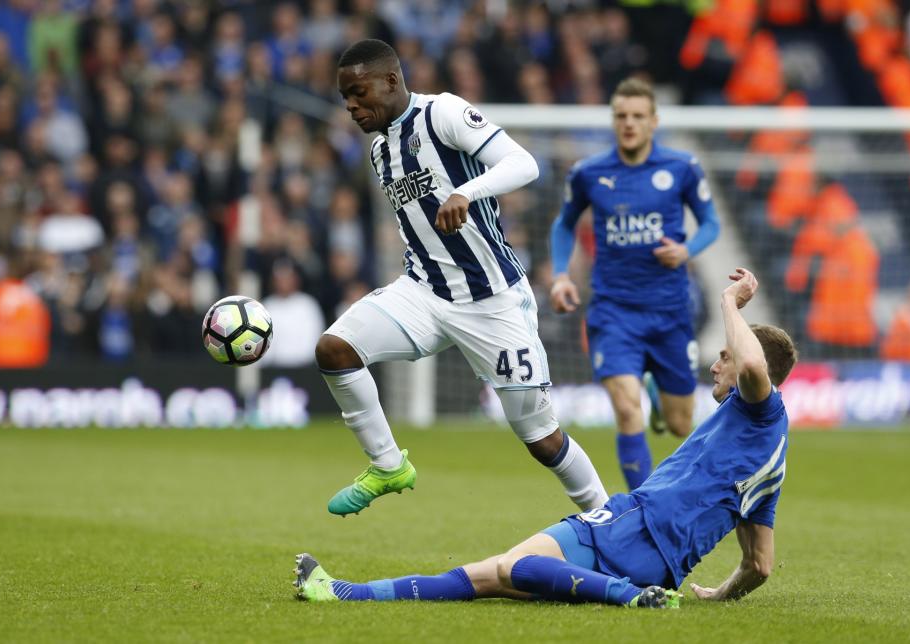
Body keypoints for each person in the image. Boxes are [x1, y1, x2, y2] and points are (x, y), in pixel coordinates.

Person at [294, 268, 797, 609]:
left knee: (516, 569)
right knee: (491, 572)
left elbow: (751, 361)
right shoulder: (764, 447)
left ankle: (629, 596)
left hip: (646, 543)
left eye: (723, 357)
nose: (716, 362)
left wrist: (731, 301)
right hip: (623, 518)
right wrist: (716, 597)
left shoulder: (762, 410)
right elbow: (760, 564)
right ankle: (344, 592)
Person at [314, 39, 608, 517]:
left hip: (493, 300)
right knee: (335, 349)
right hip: (425, 291)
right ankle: (388, 465)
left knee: (541, 439)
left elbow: (523, 164)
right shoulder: (379, 153)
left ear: (391, 80)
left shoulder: (444, 113)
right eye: (344, 96)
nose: (350, 105)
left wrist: (466, 193)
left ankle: (607, 517)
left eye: (358, 92)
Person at [549, 77, 721, 491]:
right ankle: (641, 511)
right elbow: (564, 223)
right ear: (613, 121)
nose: (629, 123)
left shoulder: (681, 168)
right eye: (621, 116)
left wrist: (686, 250)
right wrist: (560, 275)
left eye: (638, 116)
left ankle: (658, 394)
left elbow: (711, 223)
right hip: (613, 311)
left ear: (654, 121)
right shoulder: (589, 173)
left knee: (680, 425)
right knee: (628, 412)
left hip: (669, 310)